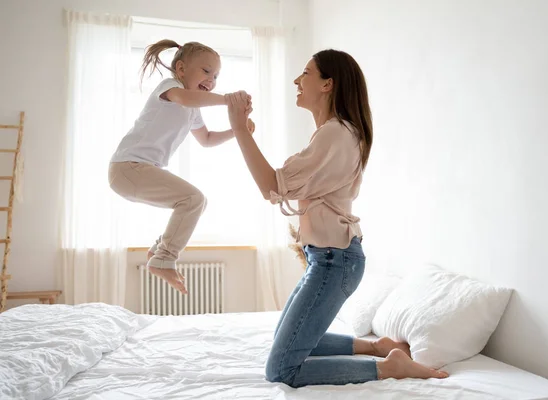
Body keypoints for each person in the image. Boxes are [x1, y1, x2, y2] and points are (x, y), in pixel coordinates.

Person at [225, 49, 449, 387]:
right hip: (328, 259)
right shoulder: (335, 132)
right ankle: (377, 346)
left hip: (334, 261)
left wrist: (240, 130)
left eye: (306, 73)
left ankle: (389, 368)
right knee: (284, 339)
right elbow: (281, 187)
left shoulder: (336, 133)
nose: (296, 81)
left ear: (328, 84)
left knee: (281, 369)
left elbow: (271, 186)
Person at [109, 39, 252, 294]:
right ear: (182, 69)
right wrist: (229, 100)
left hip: (139, 170)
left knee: (196, 202)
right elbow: (187, 98)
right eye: (206, 71)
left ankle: (160, 251)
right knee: (193, 199)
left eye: (216, 75)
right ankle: (163, 258)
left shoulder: (192, 108)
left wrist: (237, 130)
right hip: (127, 168)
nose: (212, 79)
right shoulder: (170, 87)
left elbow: (206, 140)